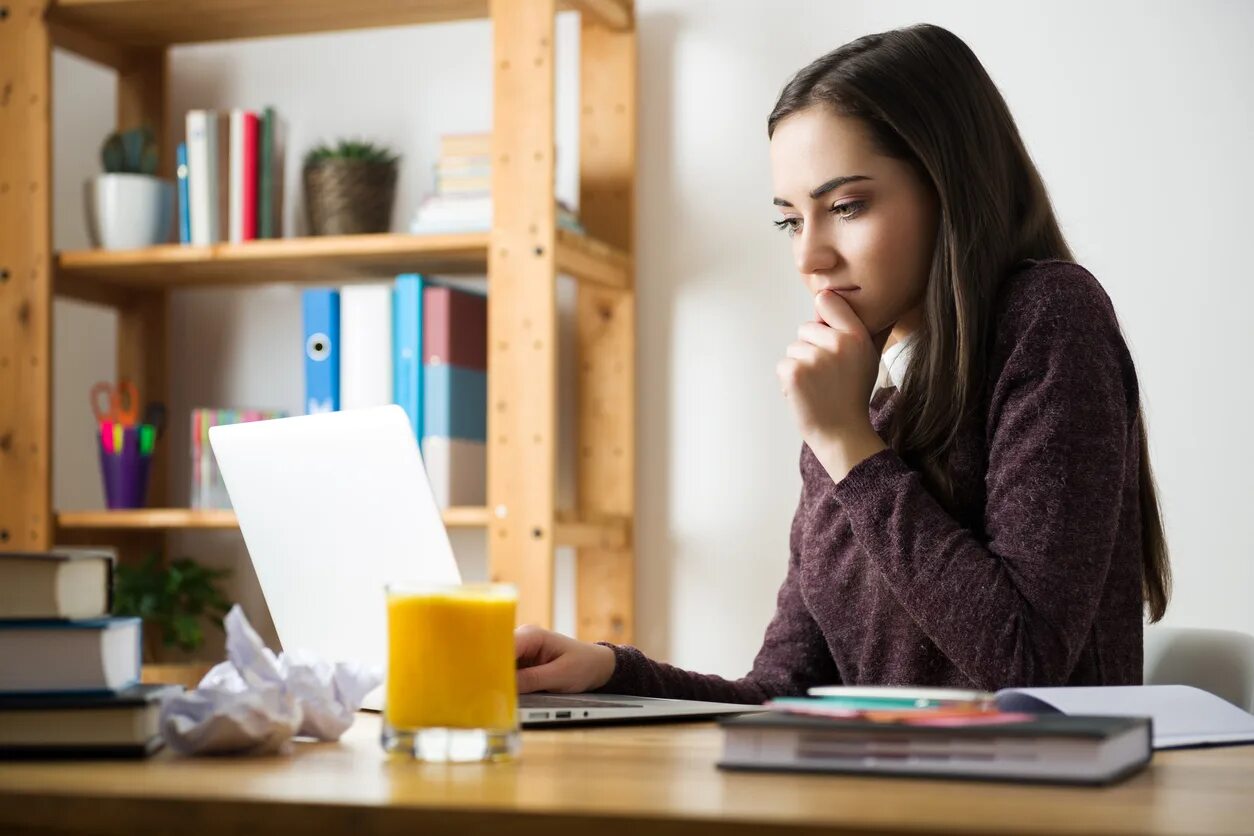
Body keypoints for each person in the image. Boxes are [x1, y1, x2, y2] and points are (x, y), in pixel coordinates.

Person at [514, 23, 1171, 701]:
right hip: (880, 800)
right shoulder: (855, 399)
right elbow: (780, 691)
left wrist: (850, 448)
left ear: (950, 187)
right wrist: (610, 669)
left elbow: (1025, 664)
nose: (809, 256)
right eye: (791, 220)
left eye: (847, 206)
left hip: (1037, 801)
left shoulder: (1049, 316)